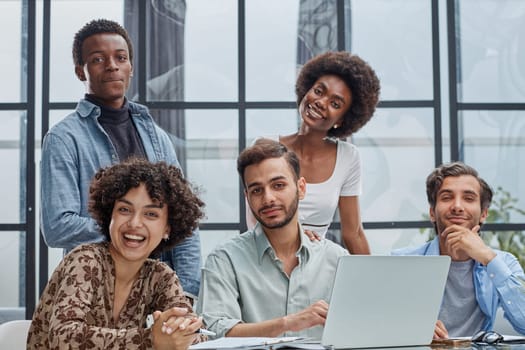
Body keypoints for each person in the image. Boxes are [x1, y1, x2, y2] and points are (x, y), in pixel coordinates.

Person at [40, 19, 201, 297]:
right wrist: (131, 230)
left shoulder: (157, 137)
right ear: (81, 71)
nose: (112, 65)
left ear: (131, 67)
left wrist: (186, 293)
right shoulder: (64, 138)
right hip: (93, 288)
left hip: (157, 288)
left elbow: (183, 223)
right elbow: (57, 227)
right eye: (98, 59)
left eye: (120, 57)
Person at [28, 158, 206, 349]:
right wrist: (151, 339)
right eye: (124, 209)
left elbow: (196, 335)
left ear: (167, 228)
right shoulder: (85, 261)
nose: (135, 223)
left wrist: (180, 331)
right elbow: (64, 336)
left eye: (151, 214)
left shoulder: (161, 277)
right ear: (109, 216)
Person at [197, 139, 348, 339]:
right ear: (247, 197)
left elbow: (359, 328)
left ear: (301, 188)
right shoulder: (224, 260)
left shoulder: (338, 260)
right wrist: (288, 323)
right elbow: (214, 332)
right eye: (257, 190)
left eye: (278, 185)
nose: (268, 198)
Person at [248, 51, 380, 254]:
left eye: (335, 104)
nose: (321, 102)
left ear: (341, 120)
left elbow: (353, 234)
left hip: (318, 263)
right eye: (319, 91)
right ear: (306, 90)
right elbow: (254, 219)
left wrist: (375, 282)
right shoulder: (264, 146)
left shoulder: (348, 157)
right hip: (266, 256)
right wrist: (295, 236)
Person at [392, 162, 525, 338]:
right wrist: (410, 328)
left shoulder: (504, 262)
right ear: (432, 212)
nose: (457, 206)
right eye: (447, 197)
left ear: (483, 214)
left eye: (469, 198)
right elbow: (377, 324)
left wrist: (488, 258)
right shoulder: (401, 262)